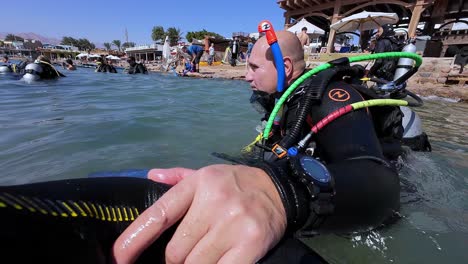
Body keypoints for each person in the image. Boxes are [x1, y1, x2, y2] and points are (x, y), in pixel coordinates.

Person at [112, 30, 414, 263]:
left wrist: (278, 193)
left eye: (254, 67)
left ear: (284, 67)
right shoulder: (286, 104)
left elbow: (382, 182)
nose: (246, 76)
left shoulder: (330, 97)